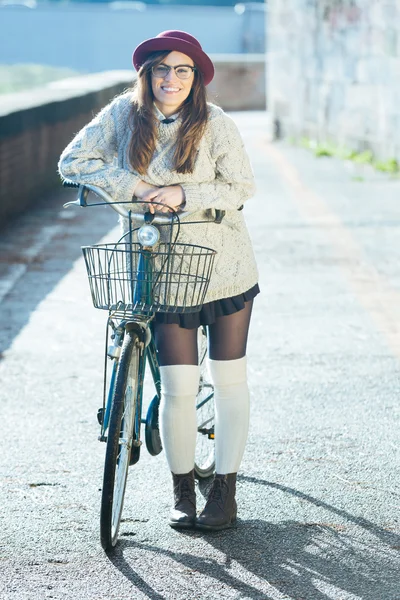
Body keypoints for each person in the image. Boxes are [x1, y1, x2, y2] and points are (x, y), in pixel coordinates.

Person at [58, 30, 259, 531]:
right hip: (161, 267)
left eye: (183, 70)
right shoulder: (122, 116)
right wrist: (141, 187)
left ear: (196, 78)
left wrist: (181, 194)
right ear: (146, 75)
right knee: (178, 386)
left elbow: (241, 187)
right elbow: (73, 162)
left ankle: (225, 491)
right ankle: (183, 492)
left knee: (230, 380)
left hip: (225, 262)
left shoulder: (216, 123)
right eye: (162, 70)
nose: (172, 79)